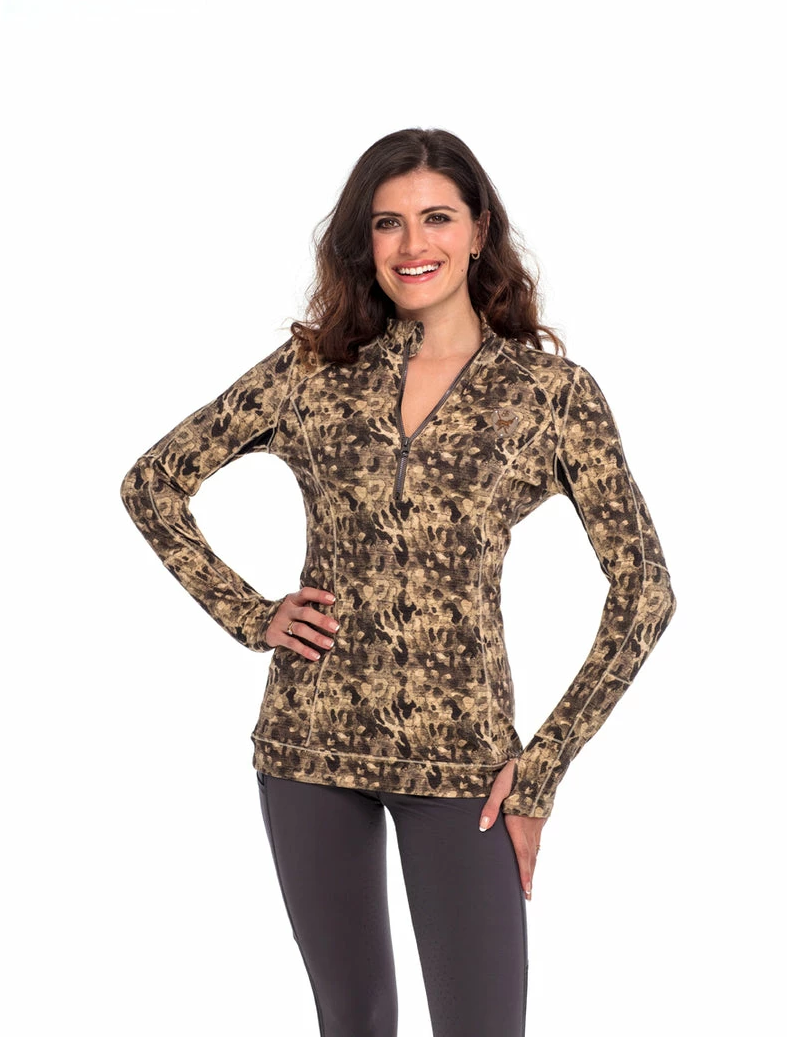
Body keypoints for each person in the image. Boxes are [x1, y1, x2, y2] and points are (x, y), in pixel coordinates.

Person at [120, 128, 676, 1037]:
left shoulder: (549, 395)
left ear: (479, 231)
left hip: (464, 764)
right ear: (365, 241)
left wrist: (541, 769)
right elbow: (152, 484)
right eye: (388, 224)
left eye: (436, 219)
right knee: (355, 1020)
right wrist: (252, 615)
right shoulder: (313, 373)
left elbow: (645, 587)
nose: (413, 245)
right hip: (309, 746)